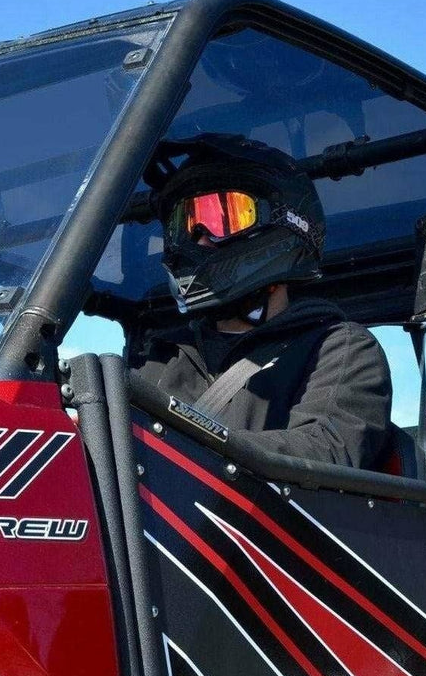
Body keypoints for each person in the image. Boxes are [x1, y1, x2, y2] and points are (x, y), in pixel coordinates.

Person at [128, 136, 393, 469]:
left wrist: (170, 447)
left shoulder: (339, 348)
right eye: (186, 224)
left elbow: (327, 450)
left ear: (283, 224)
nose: (199, 237)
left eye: (223, 217)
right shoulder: (161, 356)